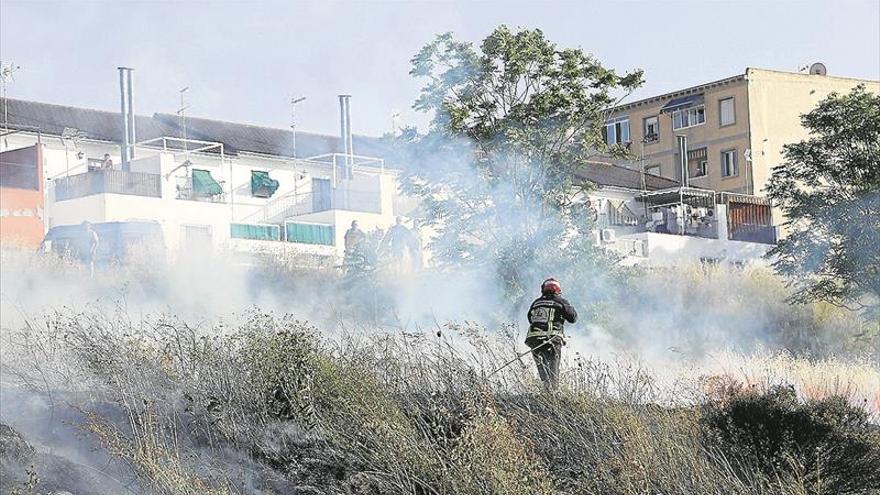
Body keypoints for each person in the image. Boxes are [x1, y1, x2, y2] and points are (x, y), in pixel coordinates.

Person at [525, 278, 577, 388]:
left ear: (543, 290)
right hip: (551, 339)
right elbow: (573, 318)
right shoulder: (560, 301)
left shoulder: (536, 302)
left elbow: (530, 318)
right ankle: (553, 396)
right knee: (553, 368)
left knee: (542, 368)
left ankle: (546, 391)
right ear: (558, 290)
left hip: (534, 340)